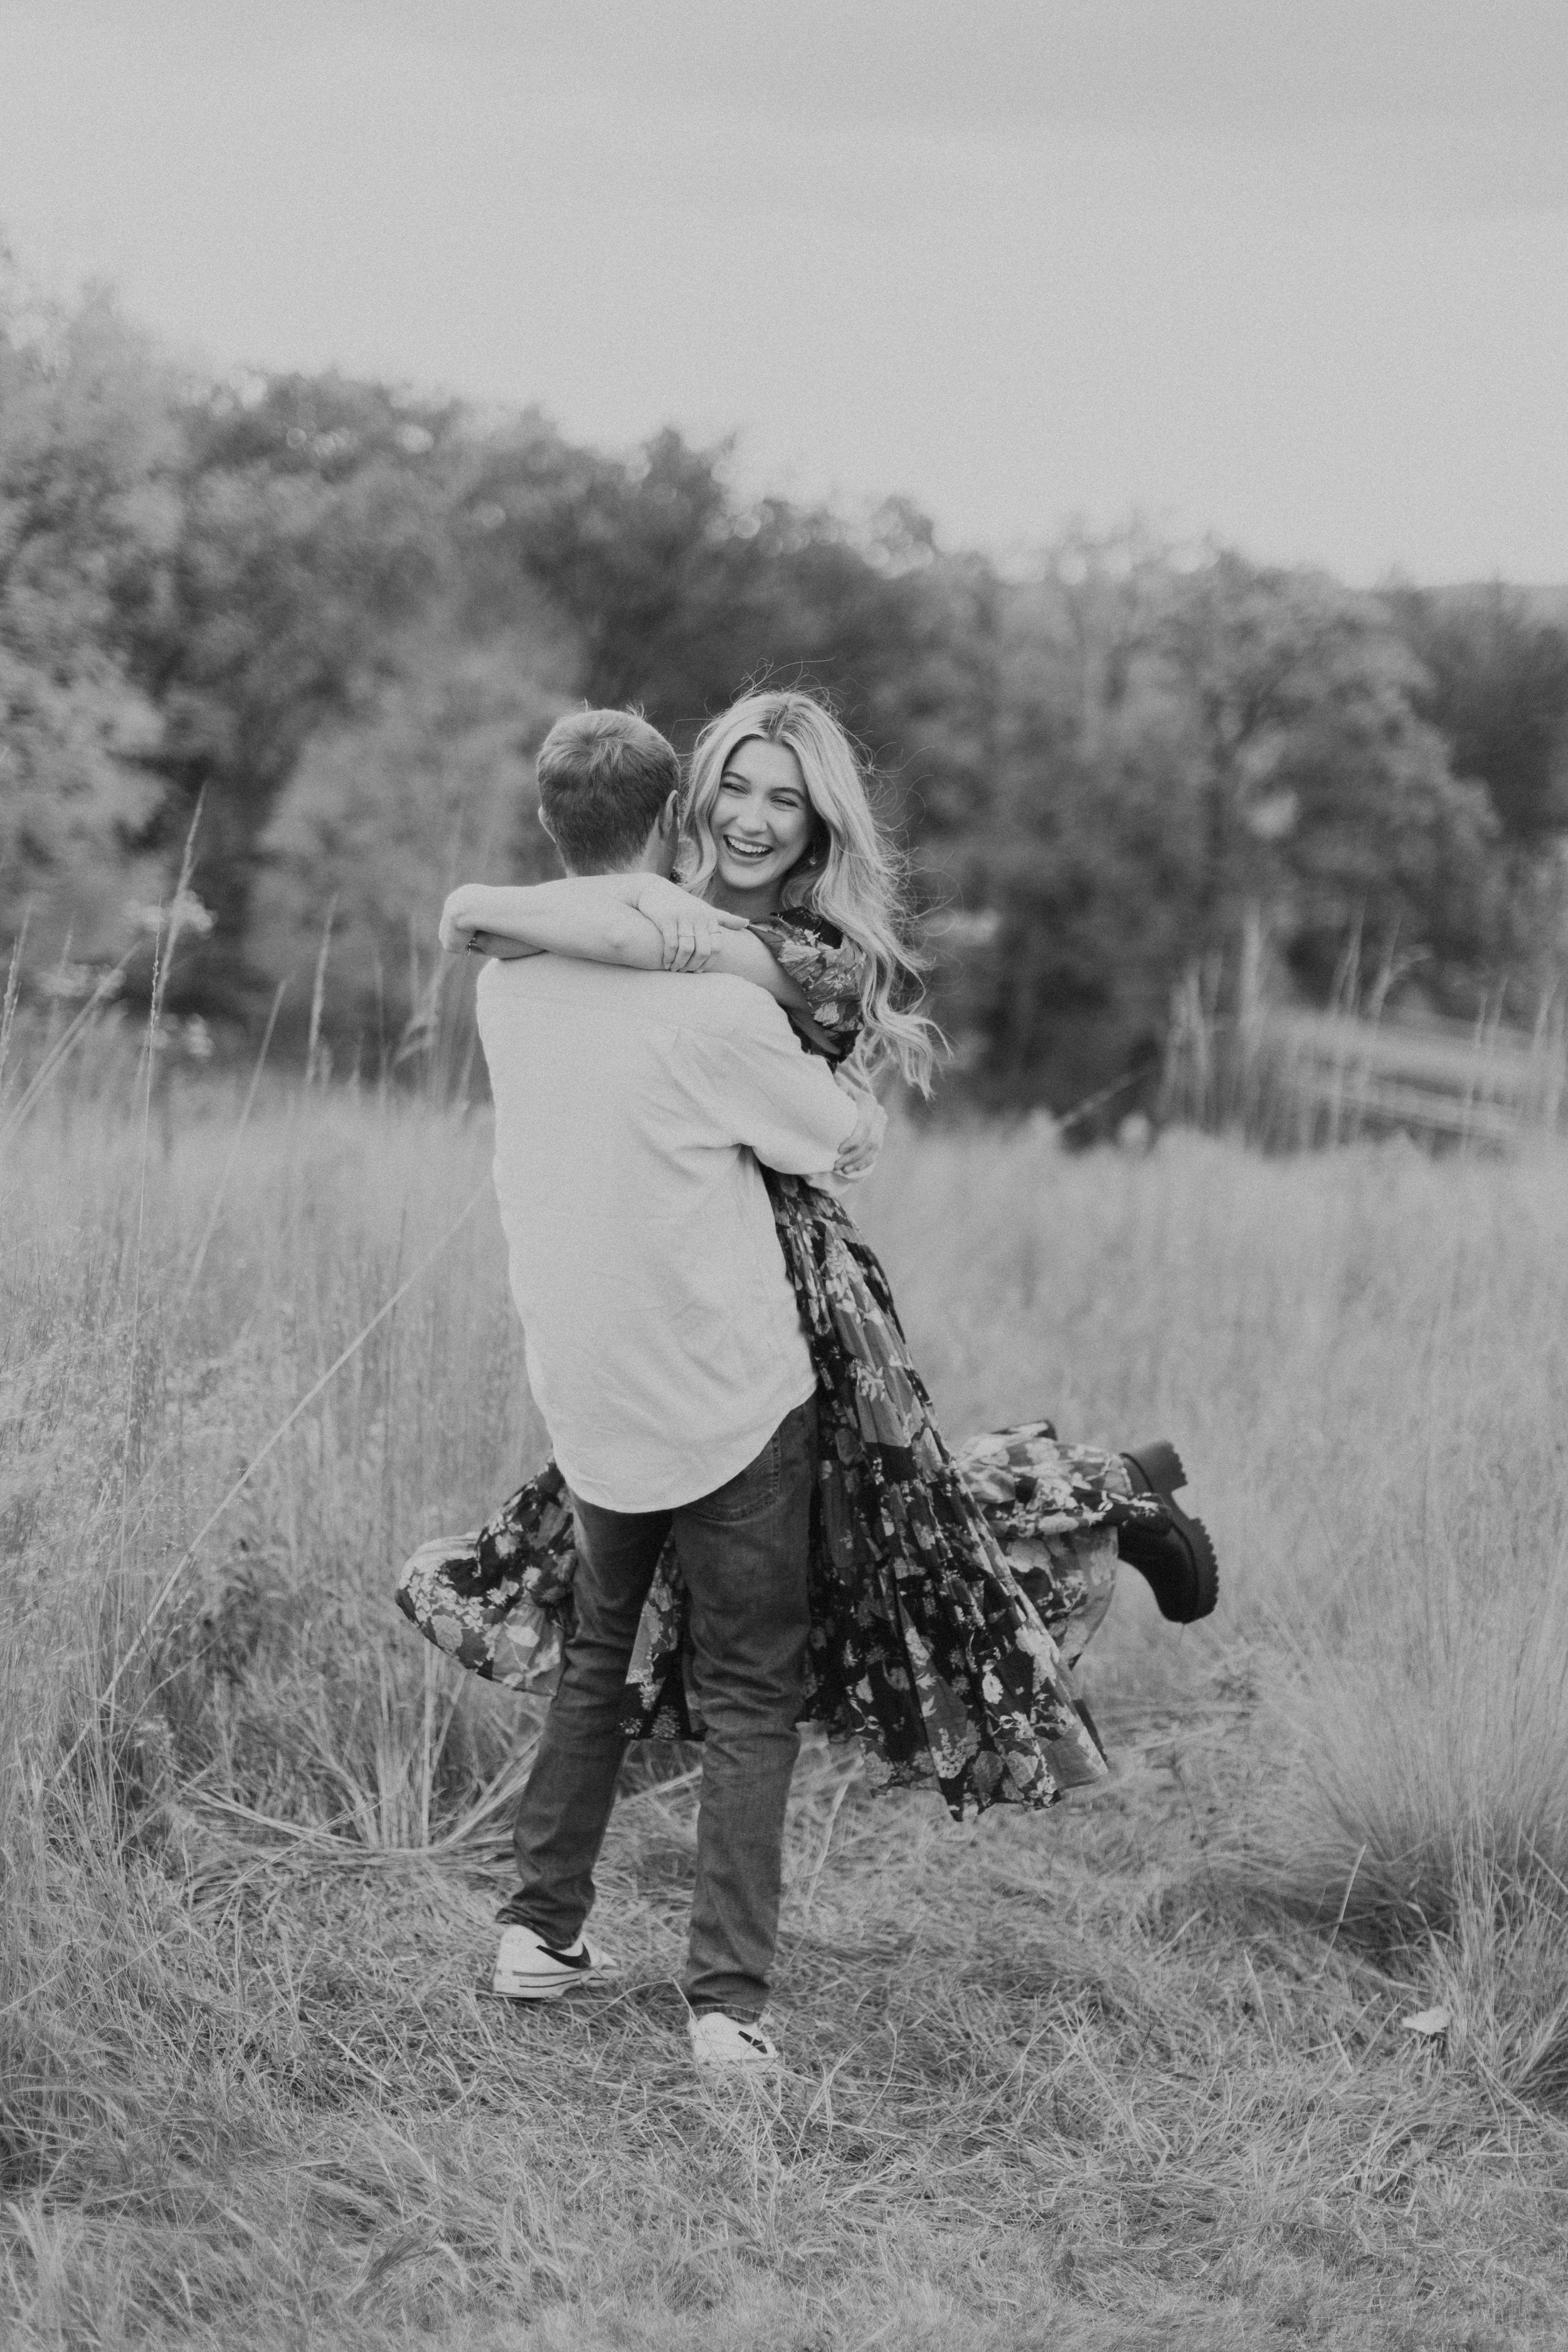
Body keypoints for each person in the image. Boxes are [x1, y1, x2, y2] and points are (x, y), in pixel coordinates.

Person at [403, 693, 1217, 2057]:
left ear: (819, 821)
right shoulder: (652, 952)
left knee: (901, 1551)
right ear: (685, 804)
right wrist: (630, 924)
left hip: (792, 1318)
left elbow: (833, 1128)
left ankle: (1110, 1499)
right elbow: (554, 921)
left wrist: (656, 931)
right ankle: (666, 1981)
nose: (751, 818)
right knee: (790, 1623)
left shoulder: (797, 961)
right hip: (689, 1332)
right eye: (734, 787)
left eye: (784, 800)